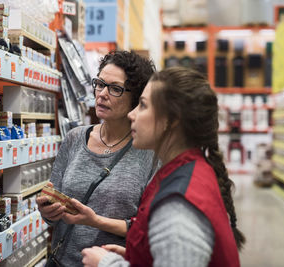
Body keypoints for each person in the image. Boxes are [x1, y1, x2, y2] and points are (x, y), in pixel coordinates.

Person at [81, 67, 246, 267]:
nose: (132, 115)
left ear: (171, 120)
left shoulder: (178, 205)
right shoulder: (185, 170)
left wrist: (107, 263)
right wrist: (136, 256)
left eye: (143, 105)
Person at [36, 50, 156, 267]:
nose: (102, 94)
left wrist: (95, 221)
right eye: (100, 84)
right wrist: (48, 211)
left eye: (115, 89)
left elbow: (148, 228)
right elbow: (52, 213)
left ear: (136, 97)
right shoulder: (74, 139)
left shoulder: (148, 153)